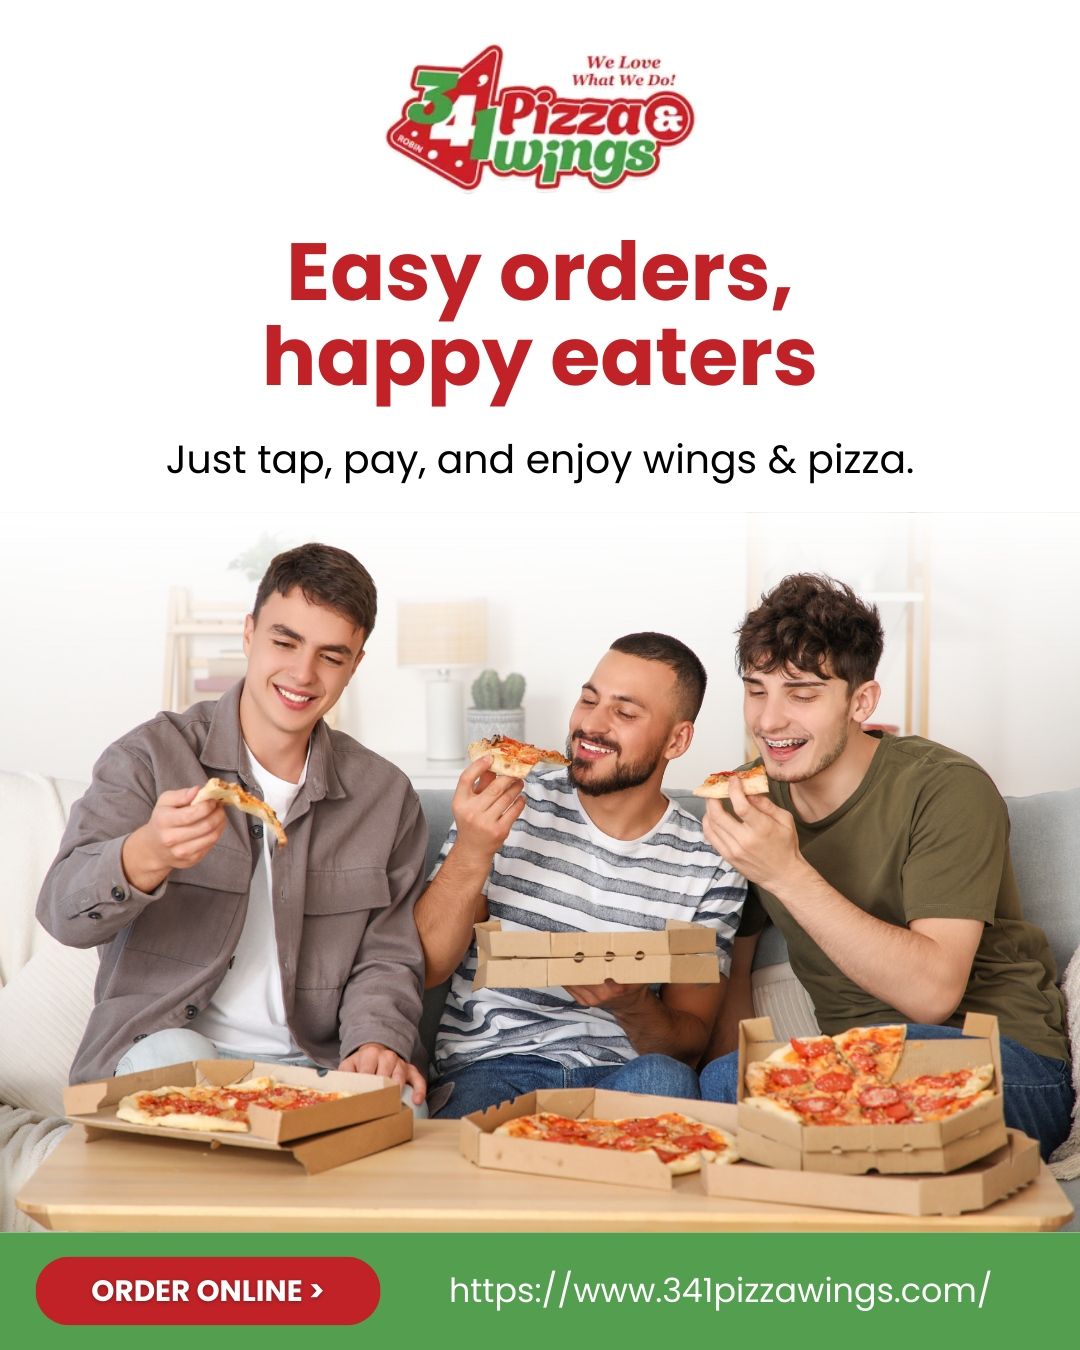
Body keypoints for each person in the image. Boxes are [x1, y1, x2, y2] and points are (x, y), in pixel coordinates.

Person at [37, 543, 429, 1105]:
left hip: (317, 1064)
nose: (303, 673)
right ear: (249, 634)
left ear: (356, 664)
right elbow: (62, 914)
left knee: (405, 1110)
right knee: (175, 1083)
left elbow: (388, 954)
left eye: (331, 656)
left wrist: (377, 1040)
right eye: (284, 642)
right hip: (167, 1049)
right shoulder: (149, 756)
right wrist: (144, 853)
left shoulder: (385, 795)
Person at [698, 574, 1072, 1158]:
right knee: (724, 1083)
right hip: (846, 1069)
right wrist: (731, 1102)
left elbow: (932, 994)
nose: (769, 721)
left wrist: (786, 872)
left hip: (992, 1060)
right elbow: (735, 975)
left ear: (861, 702)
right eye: (756, 690)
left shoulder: (946, 788)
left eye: (801, 694)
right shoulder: (750, 802)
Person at [417, 633, 747, 1119]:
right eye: (589, 699)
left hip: (622, 1076)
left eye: (625, 712)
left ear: (677, 739)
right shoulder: (507, 802)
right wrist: (471, 849)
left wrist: (632, 1005)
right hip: (490, 1067)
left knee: (668, 1078)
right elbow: (426, 966)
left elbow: (688, 1045)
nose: (591, 724)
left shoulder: (711, 858)